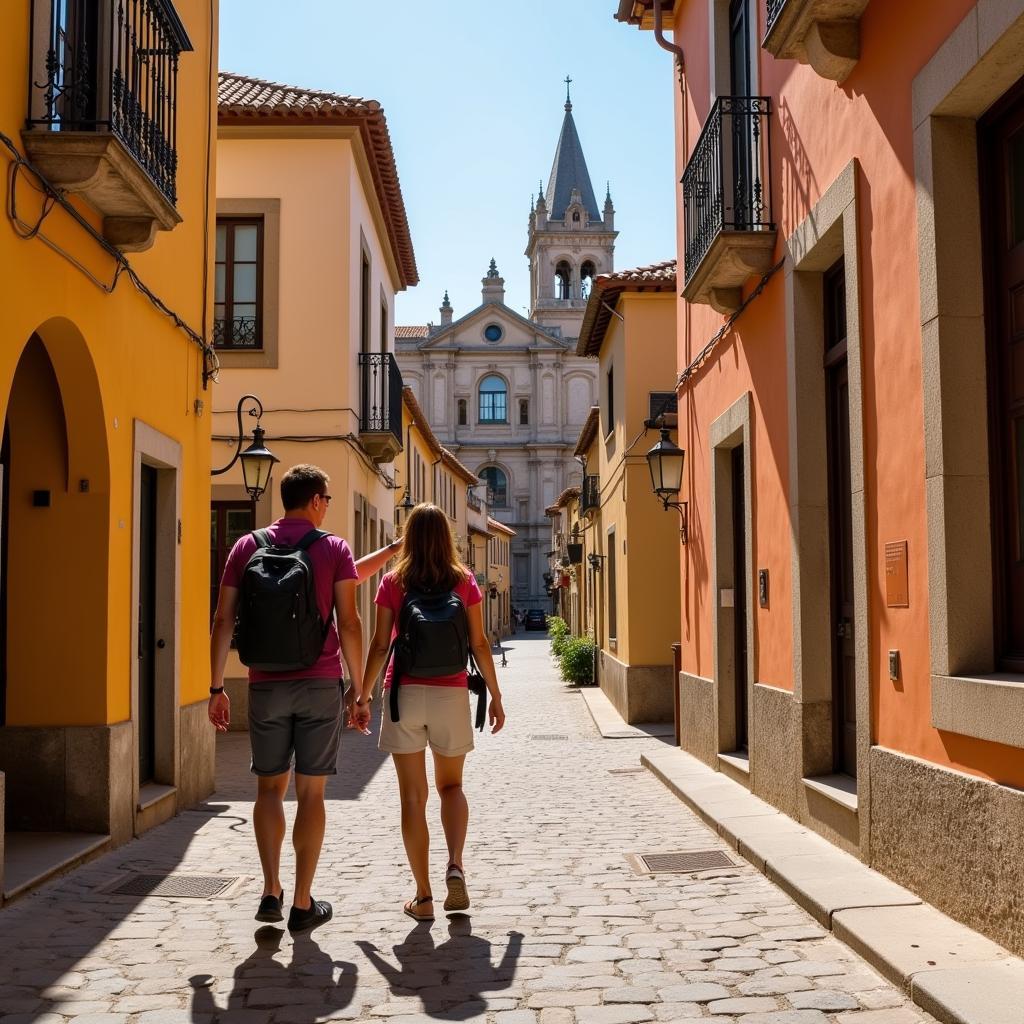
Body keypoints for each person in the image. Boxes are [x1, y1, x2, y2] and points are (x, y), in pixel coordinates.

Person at [209, 464, 364, 933]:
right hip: (319, 684)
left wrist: (216, 688)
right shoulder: (334, 548)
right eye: (328, 500)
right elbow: (351, 623)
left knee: (268, 789)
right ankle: (302, 902)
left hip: (264, 683)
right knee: (311, 792)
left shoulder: (246, 546)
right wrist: (359, 689)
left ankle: (270, 890)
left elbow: (222, 620)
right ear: (316, 500)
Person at [356, 503, 505, 921]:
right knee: (451, 788)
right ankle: (455, 864)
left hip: (403, 692)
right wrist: (495, 695)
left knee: (412, 796)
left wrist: (363, 697)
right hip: (451, 693)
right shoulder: (465, 582)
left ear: (408, 537)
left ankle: (422, 898)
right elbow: (479, 645)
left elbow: (380, 645)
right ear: (447, 539)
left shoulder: (393, 581)